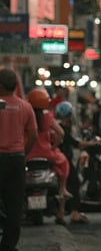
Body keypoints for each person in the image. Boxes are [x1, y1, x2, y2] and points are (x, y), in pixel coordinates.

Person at [0, 68, 38, 251]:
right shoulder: (25, 107)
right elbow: (33, 134)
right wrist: (24, 151)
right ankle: (9, 247)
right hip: (16, 159)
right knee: (15, 205)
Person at [26, 88, 71, 225]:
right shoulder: (48, 116)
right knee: (63, 164)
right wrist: (54, 146)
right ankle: (63, 192)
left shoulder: (26, 115)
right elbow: (61, 133)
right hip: (46, 154)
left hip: (27, 153)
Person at [55, 101, 101, 224]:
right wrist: (92, 143)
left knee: (64, 186)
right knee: (73, 184)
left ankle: (61, 212)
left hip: (58, 159)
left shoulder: (56, 126)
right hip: (63, 160)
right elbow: (76, 143)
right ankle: (74, 213)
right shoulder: (61, 128)